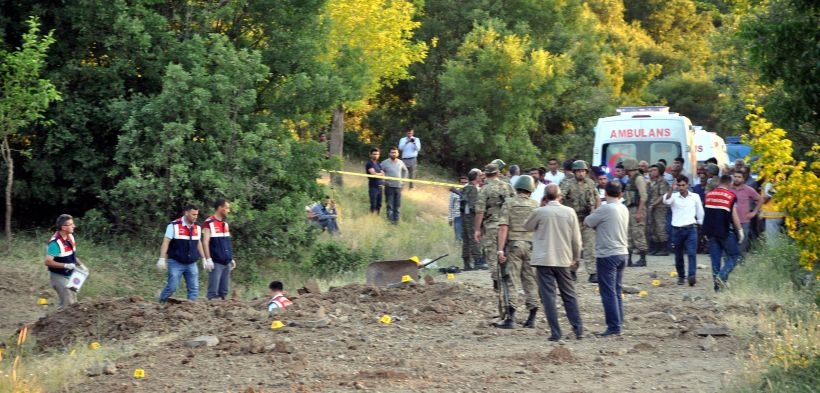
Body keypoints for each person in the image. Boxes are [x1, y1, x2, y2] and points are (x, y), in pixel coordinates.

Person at [524, 184, 584, 341]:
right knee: (569, 295)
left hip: (544, 260)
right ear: (560, 196)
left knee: (548, 297)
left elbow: (527, 226)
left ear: (544, 197)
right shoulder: (570, 212)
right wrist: (576, 258)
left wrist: (541, 206)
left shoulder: (539, 212)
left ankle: (556, 333)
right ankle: (578, 329)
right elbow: (576, 239)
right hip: (564, 259)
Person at [584, 181, 629, 337]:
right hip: (622, 252)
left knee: (608, 292)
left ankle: (613, 326)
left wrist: (594, 208)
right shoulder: (623, 208)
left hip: (607, 254)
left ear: (605, 193)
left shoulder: (605, 209)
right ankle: (619, 321)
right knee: (616, 290)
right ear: (621, 194)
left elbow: (588, 222)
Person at [495, 175, 540, 329]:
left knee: (511, 280)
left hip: (513, 246)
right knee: (530, 280)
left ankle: (511, 318)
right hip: (531, 246)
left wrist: (500, 250)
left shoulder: (509, 203)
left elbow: (503, 227)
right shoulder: (536, 205)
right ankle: (532, 317)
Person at [474, 162, 516, 307]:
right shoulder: (508, 186)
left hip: (492, 226)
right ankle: (509, 281)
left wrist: (477, 230)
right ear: (498, 173)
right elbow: (514, 204)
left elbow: (480, 211)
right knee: (506, 254)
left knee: (492, 257)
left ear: (486, 174)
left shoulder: (484, 190)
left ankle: (497, 282)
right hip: (507, 225)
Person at [560, 160, 599, 282]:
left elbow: (597, 197)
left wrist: (596, 212)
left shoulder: (591, 183)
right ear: (574, 172)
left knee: (590, 246)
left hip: (587, 219)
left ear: (586, 172)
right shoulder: (567, 184)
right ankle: (572, 271)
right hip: (573, 219)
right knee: (574, 246)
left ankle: (592, 272)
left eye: (583, 171)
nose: (581, 173)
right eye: (578, 171)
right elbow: (560, 197)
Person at [157, 204, 206, 302]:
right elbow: (166, 242)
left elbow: (198, 243)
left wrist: (204, 258)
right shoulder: (174, 226)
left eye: (197, 215)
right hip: (176, 262)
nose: (195, 217)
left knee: (194, 288)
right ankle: (161, 302)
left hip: (191, 263)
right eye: (193, 214)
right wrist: (162, 259)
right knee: (172, 287)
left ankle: (191, 309)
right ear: (186, 213)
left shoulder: (197, 227)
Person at [703, 175, 744, 291]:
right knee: (735, 255)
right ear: (729, 183)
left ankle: (717, 289)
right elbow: (734, 215)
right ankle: (722, 276)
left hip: (711, 232)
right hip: (725, 232)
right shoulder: (730, 196)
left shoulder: (709, 195)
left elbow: (707, 214)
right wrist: (740, 230)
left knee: (715, 260)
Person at [663, 176, 705, 286]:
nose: (681, 187)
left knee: (692, 253)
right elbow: (666, 201)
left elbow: (700, 212)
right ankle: (681, 276)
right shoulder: (674, 196)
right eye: (679, 185)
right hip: (677, 229)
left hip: (691, 228)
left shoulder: (695, 197)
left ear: (687, 185)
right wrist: (671, 189)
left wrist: (701, 226)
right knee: (678, 255)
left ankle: (692, 276)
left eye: (683, 185)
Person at [44, 214, 85, 308]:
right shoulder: (55, 243)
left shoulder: (70, 237)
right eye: (71, 224)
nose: (74, 226)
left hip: (71, 274)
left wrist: (82, 265)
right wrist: (66, 265)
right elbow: (48, 262)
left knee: (74, 302)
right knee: (68, 304)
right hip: (59, 276)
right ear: (63, 227)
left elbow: (72, 255)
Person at [203, 199, 236, 300]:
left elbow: (227, 242)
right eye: (227, 208)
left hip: (226, 262)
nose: (228, 211)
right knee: (213, 291)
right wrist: (208, 259)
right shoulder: (209, 223)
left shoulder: (225, 224)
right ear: (220, 208)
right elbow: (205, 242)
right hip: (216, 262)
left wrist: (231, 258)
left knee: (224, 291)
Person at [622, 158, 648, 267]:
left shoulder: (639, 179)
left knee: (638, 233)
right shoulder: (630, 179)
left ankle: (643, 259)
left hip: (637, 208)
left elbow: (643, 196)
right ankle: (629, 259)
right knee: (629, 234)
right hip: (629, 208)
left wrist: (639, 212)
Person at [730, 170, 762, 253]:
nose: (736, 179)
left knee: (742, 245)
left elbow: (760, 199)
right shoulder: (729, 188)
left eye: (739, 177)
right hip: (730, 221)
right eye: (735, 176)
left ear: (743, 179)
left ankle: (741, 264)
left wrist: (754, 212)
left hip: (744, 221)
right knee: (731, 245)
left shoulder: (748, 189)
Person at [461, 168, 483, 271]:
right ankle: (477, 260)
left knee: (466, 240)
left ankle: (466, 263)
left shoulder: (465, 188)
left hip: (465, 216)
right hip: (471, 217)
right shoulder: (473, 189)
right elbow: (474, 206)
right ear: (476, 177)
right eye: (479, 175)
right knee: (474, 238)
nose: (481, 177)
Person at [646, 163, 670, 256]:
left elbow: (662, 196)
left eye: (654, 170)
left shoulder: (662, 182)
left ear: (660, 171)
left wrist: (653, 204)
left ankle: (664, 248)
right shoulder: (650, 183)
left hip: (660, 208)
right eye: (651, 170)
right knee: (652, 228)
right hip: (651, 207)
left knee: (660, 227)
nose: (652, 172)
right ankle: (656, 247)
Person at [381, 146, 409, 224]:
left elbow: (405, 171)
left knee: (397, 206)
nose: (393, 154)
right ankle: (390, 221)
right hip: (389, 187)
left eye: (395, 152)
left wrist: (403, 181)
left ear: (398, 154)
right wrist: (383, 181)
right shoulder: (384, 162)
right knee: (390, 205)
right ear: (389, 153)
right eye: (392, 152)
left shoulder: (400, 162)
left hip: (398, 187)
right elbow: (379, 171)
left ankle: (396, 222)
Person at [760, 180, 784, 245]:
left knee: (772, 243)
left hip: (772, 215)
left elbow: (766, 198)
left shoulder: (770, 181)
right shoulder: (781, 178)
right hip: (779, 214)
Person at [448, 176, 468, 242]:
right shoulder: (454, 192)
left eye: (465, 182)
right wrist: (450, 218)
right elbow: (451, 205)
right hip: (457, 216)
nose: (463, 184)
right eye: (462, 182)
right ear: (459, 183)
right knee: (458, 236)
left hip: (467, 216)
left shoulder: (470, 191)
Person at [365, 148, 385, 214]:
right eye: (374, 154)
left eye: (377, 154)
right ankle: (372, 217)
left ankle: (377, 217)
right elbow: (373, 174)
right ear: (370, 155)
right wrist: (380, 174)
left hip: (380, 186)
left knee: (379, 204)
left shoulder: (378, 164)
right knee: (373, 204)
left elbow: (383, 173)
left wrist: (379, 174)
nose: (376, 155)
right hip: (373, 186)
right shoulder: (369, 163)